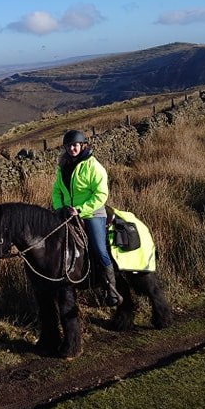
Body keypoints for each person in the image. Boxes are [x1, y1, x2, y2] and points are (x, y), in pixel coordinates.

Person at [52, 129, 123, 306]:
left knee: (99, 249)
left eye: (75, 145)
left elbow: (101, 193)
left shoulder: (93, 166)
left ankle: (111, 290)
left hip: (92, 212)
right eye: (68, 146)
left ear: (82, 145)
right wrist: (60, 208)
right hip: (67, 213)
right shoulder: (63, 167)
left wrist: (80, 210)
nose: (72, 148)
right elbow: (57, 191)